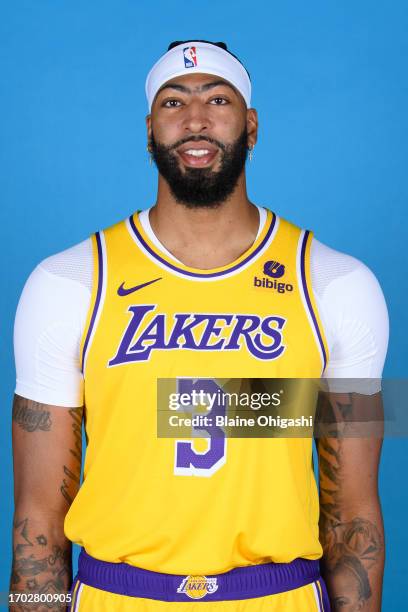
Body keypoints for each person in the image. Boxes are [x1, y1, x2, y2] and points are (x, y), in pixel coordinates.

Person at [10, 40, 388, 611]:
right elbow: (38, 518)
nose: (195, 119)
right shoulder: (68, 282)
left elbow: (353, 511)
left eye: (218, 98)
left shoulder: (335, 284)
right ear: (148, 130)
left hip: (280, 596)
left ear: (251, 125)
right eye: (172, 102)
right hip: (116, 595)